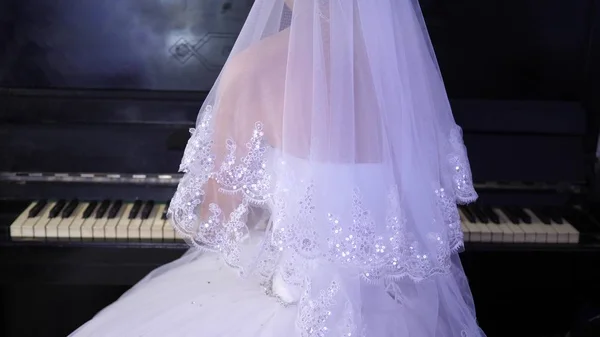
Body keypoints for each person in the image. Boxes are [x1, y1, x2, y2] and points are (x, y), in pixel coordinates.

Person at [70, 0, 485, 336]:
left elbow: (218, 221)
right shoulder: (403, 74)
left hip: (291, 311)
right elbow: (423, 224)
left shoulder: (253, 69)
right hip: (396, 318)